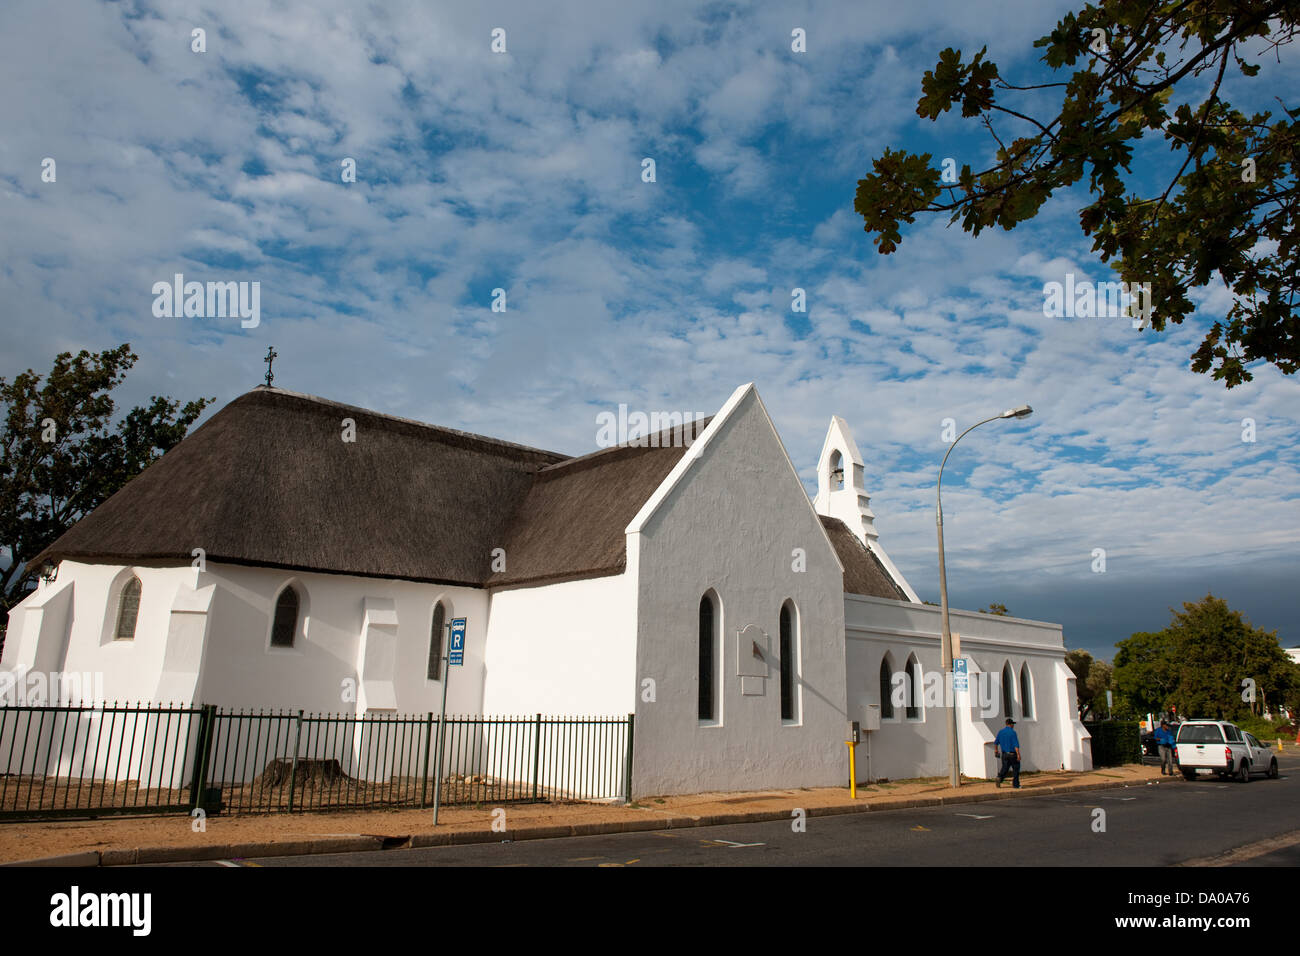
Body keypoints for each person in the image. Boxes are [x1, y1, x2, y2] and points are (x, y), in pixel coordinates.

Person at [994, 718, 1021, 788]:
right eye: (1013, 724)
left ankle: (999, 777)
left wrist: (996, 750)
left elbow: (996, 742)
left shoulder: (1001, 732)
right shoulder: (1013, 732)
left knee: (1005, 768)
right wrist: (1018, 754)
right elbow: (1016, 745)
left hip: (1004, 754)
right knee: (1016, 769)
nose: (1013, 725)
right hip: (1012, 754)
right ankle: (1016, 785)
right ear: (1011, 724)